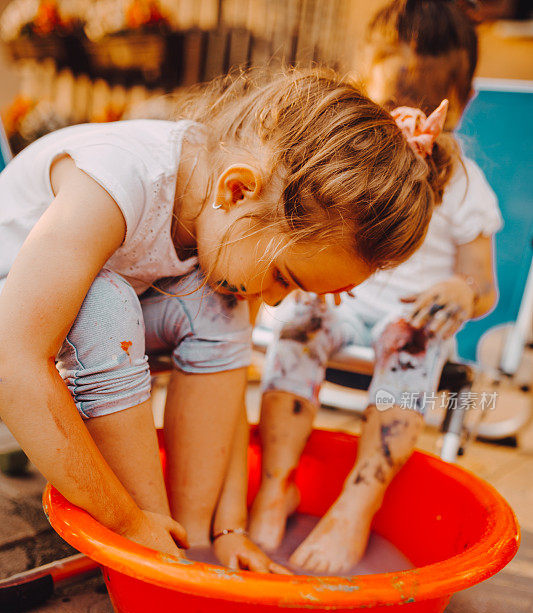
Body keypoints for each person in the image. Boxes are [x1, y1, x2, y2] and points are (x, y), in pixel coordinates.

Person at [0, 68, 452, 572]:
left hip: (87, 318)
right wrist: (126, 520)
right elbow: (13, 364)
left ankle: (188, 543)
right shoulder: (116, 179)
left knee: (220, 307)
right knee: (109, 304)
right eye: (284, 276)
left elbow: (229, 387)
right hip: (16, 313)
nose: (276, 301)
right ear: (237, 190)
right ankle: (146, 535)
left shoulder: (233, 219)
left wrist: (230, 528)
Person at [248, 3, 502, 574]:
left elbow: (482, 282)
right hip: (340, 305)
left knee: (413, 341)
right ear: (365, 86)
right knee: (298, 327)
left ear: (460, 102)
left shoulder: (464, 185)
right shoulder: (352, 164)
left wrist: (463, 293)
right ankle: (276, 485)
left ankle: (358, 501)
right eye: (389, 104)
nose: (405, 123)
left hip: (408, 320)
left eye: (427, 106)